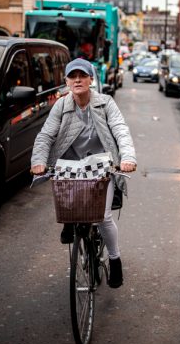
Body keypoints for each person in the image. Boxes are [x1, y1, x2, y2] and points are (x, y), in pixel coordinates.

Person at [31, 58, 137, 288]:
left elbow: (120, 130)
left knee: (103, 216)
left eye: (82, 75)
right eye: (72, 76)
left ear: (91, 79)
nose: (77, 80)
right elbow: (46, 135)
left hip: (102, 167)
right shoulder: (61, 105)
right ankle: (71, 222)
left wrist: (127, 158)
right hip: (70, 167)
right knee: (70, 207)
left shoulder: (105, 103)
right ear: (67, 81)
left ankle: (115, 259)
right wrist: (39, 160)